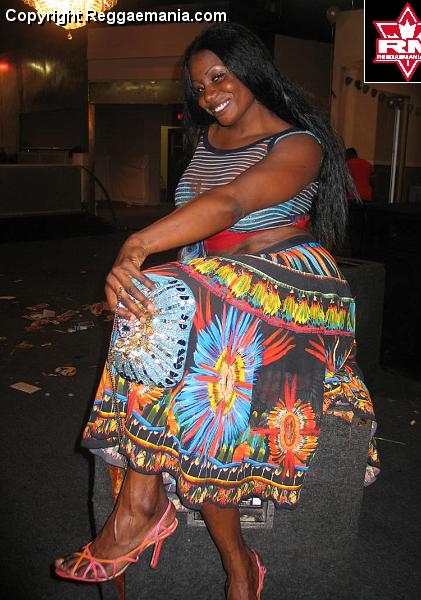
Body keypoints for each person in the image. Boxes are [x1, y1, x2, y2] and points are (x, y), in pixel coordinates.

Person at [54, 22, 377, 599]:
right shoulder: (206, 141)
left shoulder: (298, 144)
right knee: (170, 334)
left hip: (290, 281)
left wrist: (137, 246)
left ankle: (146, 507)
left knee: (181, 316)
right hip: (218, 278)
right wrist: (150, 280)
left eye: (219, 77)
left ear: (252, 71)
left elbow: (231, 202)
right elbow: (198, 231)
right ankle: (231, 558)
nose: (209, 94)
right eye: (199, 86)